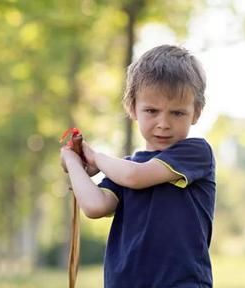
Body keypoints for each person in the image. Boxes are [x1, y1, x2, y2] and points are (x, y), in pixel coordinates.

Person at [60, 44, 216, 288]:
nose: (163, 123)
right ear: (132, 107)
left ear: (196, 113)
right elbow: (94, 206)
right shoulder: (122, 168)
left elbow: (136, 177)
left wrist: (94, 157)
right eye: (152, 111)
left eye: (177, 113)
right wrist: (72, 162)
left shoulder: (195, 153)